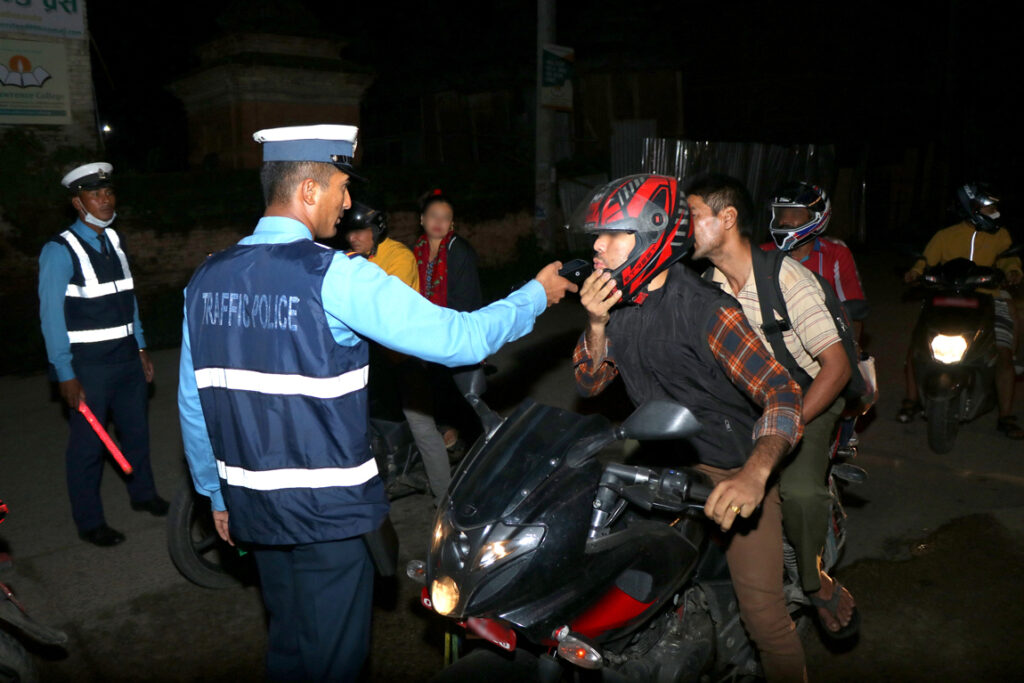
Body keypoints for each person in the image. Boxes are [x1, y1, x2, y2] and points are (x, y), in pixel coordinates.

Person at [177, 124, 575, 682]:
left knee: (289, 647)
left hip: (253, 511)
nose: (348, 202)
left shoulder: (205, 280)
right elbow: (457, 339)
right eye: (342, 186)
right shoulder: (336, 277)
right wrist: (536, 294)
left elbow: (194, 405)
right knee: (334, 663)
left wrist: (215, 494)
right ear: (309, 191)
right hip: (327, 517)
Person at [572, 174, 807, 681]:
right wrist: (594, 325)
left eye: (613, 233)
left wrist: (753, 473)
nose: (596, 245)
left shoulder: (707, 311)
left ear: (652, 238)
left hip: (730, 471)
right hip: (660, 466)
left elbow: (782, 392)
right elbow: (590, 383)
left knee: (765, 620)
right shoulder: (616, 306)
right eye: (598, 234)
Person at [688, 173, 859, 642]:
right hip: (753, 397)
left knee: (800, 493)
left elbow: (838, 368)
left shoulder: (788, 278)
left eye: (694, 215)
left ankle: (813, 582)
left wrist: (782, 428)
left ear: (727, 220)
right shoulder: (707, 283)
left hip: (810, 395)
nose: (686, 225)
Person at [38, 162, 168, 547]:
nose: (106, 200)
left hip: (127, 359)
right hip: (88, 367)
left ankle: (143, 495)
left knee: (137, 434)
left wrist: (141, 346)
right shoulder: (59, 250)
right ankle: (90, 521)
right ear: (78, 202)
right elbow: (49, 318)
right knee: (88, 448)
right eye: (96, 194)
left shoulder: (116, 241)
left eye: (109, 192)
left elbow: (129, 300)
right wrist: (65, 373)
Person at [343, 202, 451, 505]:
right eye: (350, 232)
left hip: (403, 355)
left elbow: (384, 305)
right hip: (368, 355)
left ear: (377, 231)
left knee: (421, 425)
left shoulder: (398, 256)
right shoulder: (352, 259)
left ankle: (445, 498)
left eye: (361, 231)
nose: (354, 238)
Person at [901, 182, 1023, 437]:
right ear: (971, 208)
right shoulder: (946, 235)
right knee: (917, 349)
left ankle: (1006, 415)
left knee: (1002, 353)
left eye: (994, 208)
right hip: (946, 296)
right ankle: (911, 400)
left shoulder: (1000, 236)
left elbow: (1010, 258)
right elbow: (925, 260)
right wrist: (914, 272)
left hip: (990, 297)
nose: (994, 212)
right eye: (988, 208)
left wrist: (1013, 271)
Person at [763, 181, 869, 452]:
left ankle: (843, 435)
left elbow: (854, 307)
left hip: (824, 344)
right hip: (773, 345)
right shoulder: (761, 254)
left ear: (818, 217)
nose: (785, 222)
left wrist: (853, 350)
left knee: (859, 381)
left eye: (795, 215)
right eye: (780, 214)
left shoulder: (835, 253)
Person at [413, 190, 484, 448]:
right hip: (428, 332)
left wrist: (436, 328)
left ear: (452, 223)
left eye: (445, 218)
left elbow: (464, 299)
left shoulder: (458, 250)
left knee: (462, 394)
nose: (438, 222)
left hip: (456, 330)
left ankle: (474, 446)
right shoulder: (417, 251)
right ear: (422, 219)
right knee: (436, 389)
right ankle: (448, 432)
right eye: (433, 216)